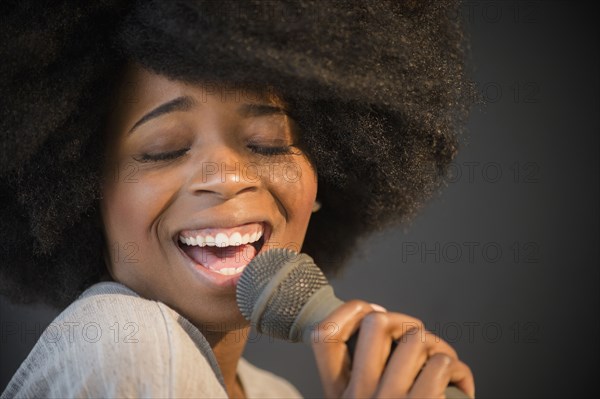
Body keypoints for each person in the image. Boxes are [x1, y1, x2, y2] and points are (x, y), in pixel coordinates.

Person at [0, 1, 475, 397]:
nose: (226, 177)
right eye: (165, 149)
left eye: (268, 143)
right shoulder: (130, 346)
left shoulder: (275, 392)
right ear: (82, 196)